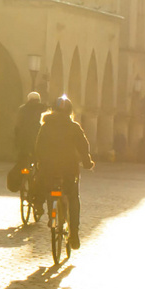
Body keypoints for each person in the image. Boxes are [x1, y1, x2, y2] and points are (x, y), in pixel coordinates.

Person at [34, 94, 95, 249]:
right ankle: (74, 233)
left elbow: (39, 146)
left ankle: (51, 215)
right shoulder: (74, 127)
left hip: (49, 168)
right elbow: (83, 147)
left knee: (48, 189)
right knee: (73, 198)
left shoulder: (45, 126)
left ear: (53, 110)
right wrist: (87, 162)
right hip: (69, 169)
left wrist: (40, 162)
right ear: (70, 112)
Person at [12, 92, 46, 169]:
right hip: (36, 138)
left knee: (21, 161)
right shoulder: (41, 108)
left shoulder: (22, 109)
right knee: (39, 158)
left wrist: (16, 139)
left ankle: (20, 175)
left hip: (24, 139)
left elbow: (18, 125)